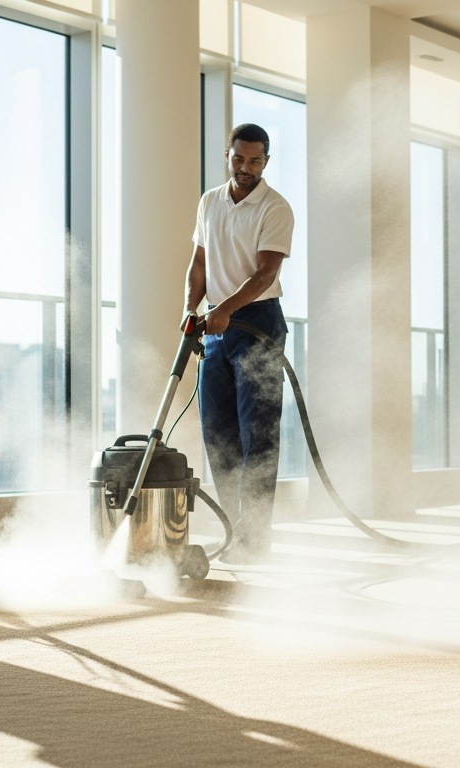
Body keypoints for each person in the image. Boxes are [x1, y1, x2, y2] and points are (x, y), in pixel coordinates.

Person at [184, 123, 295, 563]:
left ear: (265, 161)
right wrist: (191, 307)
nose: (245, 167)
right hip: (216, 326)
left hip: (258, 324)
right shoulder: (210, 201)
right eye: (238, 159)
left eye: (254, 161)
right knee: (219, 434)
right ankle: (233, 533)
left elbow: (266, 273)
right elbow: (199, 261)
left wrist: (224, 309)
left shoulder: (275, 208)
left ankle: (255, 541)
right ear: (227, 156)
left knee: (257, 437)